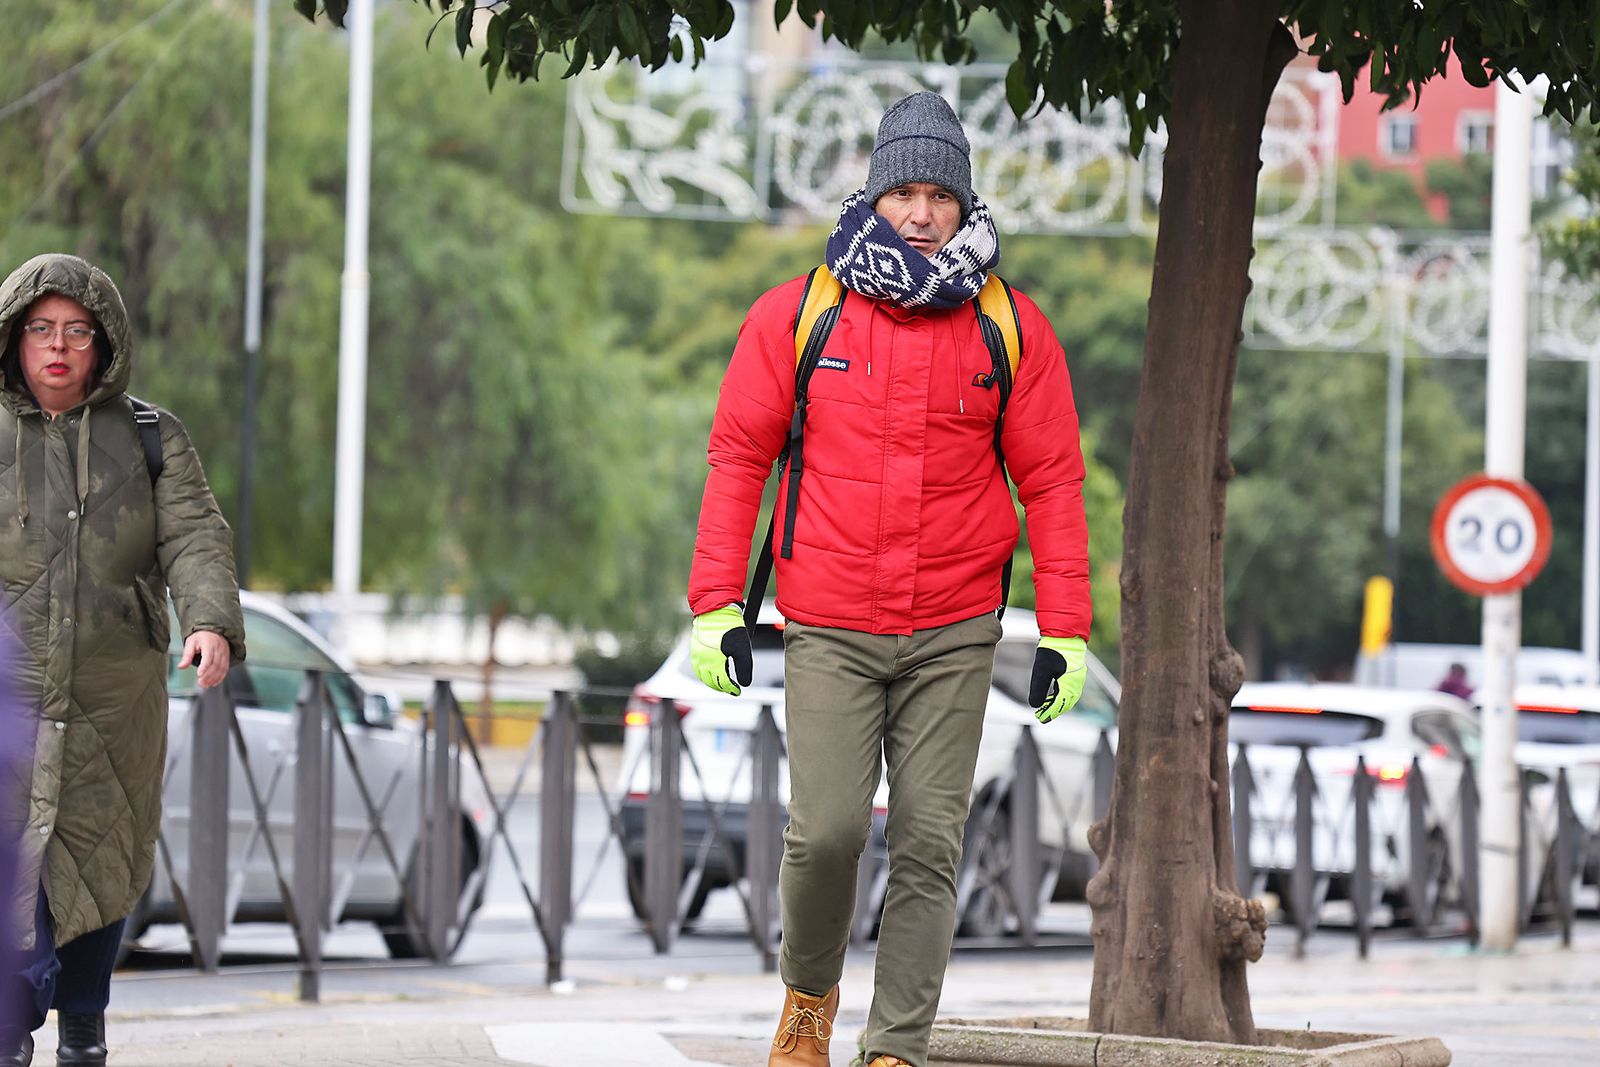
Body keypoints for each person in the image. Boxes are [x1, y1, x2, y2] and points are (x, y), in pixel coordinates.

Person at [687, 93, 1092, 1067]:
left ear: (963, 204)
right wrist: (714, 605)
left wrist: (1066, 627)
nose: (920, 212)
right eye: (903, 192)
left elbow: (1051, 480)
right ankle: (808, 1003)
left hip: (955, 625)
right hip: (828, 619)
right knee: (826, 831)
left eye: (939, 195)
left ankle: (896, 1045)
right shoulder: (800, 313)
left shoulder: (1009, 327)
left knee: (927, 841)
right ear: (873, 197)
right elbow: (739, 457)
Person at [0, 254, 245, 1067]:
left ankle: (83, 1027)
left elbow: (196, 535)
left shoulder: (150, 437)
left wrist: (209, 621)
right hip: (9, 697)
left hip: (114, 698)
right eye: (42, 329)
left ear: (104, 343)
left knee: (100, 851)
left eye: (77, 331)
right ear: (14, 337)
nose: (58, 346)